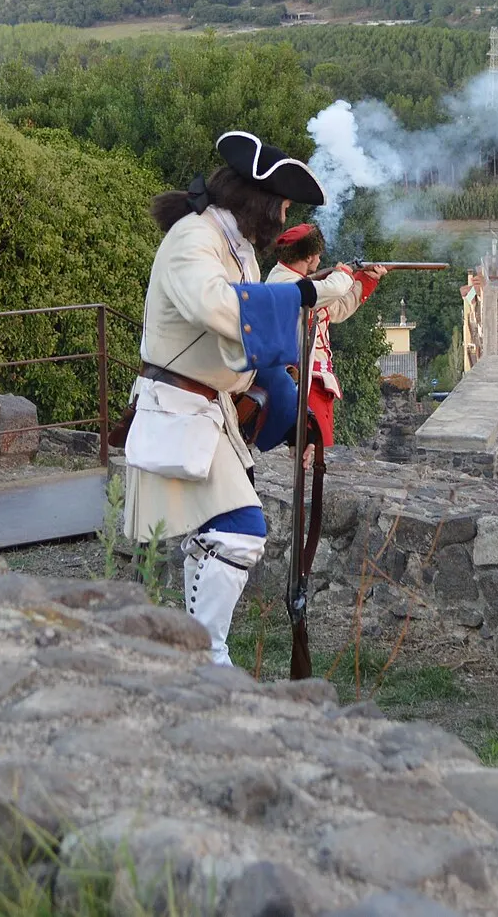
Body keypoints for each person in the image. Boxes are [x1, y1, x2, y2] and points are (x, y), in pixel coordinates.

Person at [122, 130, 326, 665]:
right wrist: (298, 294)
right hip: (180, 409)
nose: (283, 217)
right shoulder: (194, 239)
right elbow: (215, 306)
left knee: (220, 532)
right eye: (281, 205)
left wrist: (292, 418)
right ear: (259, 202)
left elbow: (245, 338)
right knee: (240, 531)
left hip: (207, 411)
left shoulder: (230, 246)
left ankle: (196, 649)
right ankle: (206, 655)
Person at [264, 223, 383, 453]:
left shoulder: (303, 283)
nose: (319, 260)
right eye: (317, 254)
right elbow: (335, 289)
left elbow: (337, 308)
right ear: (309, 256)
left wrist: (366, 279)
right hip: (300, 383)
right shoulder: (287, 284)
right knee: (314, 452)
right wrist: (345, 274)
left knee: (322, 452)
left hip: (317, 382)